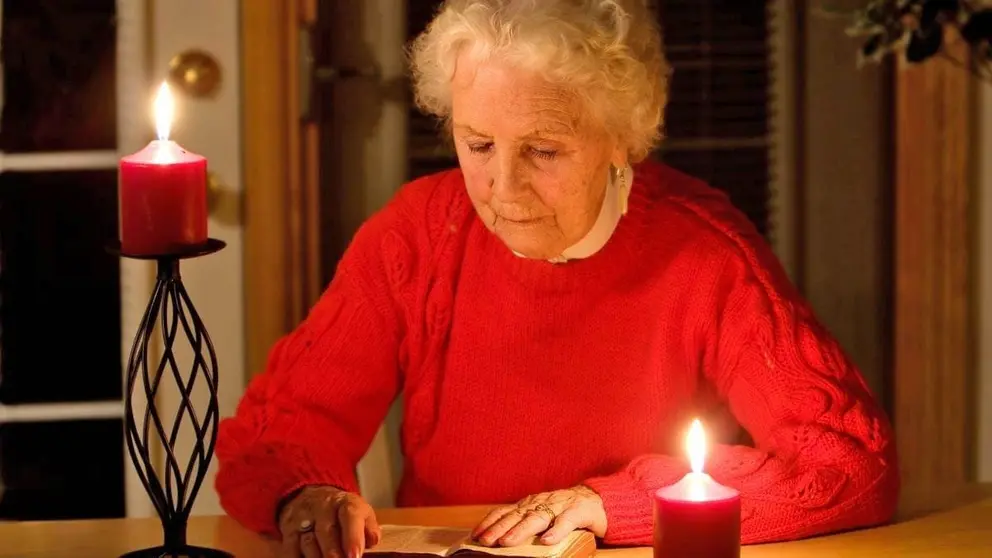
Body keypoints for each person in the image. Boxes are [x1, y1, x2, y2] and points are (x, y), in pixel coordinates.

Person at [215, 1, 900, 557]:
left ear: (622, 138)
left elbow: (848, 462)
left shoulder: (703, 251)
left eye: (542, 150)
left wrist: (611, 505)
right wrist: (307, 495)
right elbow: (279, 433)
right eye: (477, 143)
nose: (501, 186)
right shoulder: (418, 232)